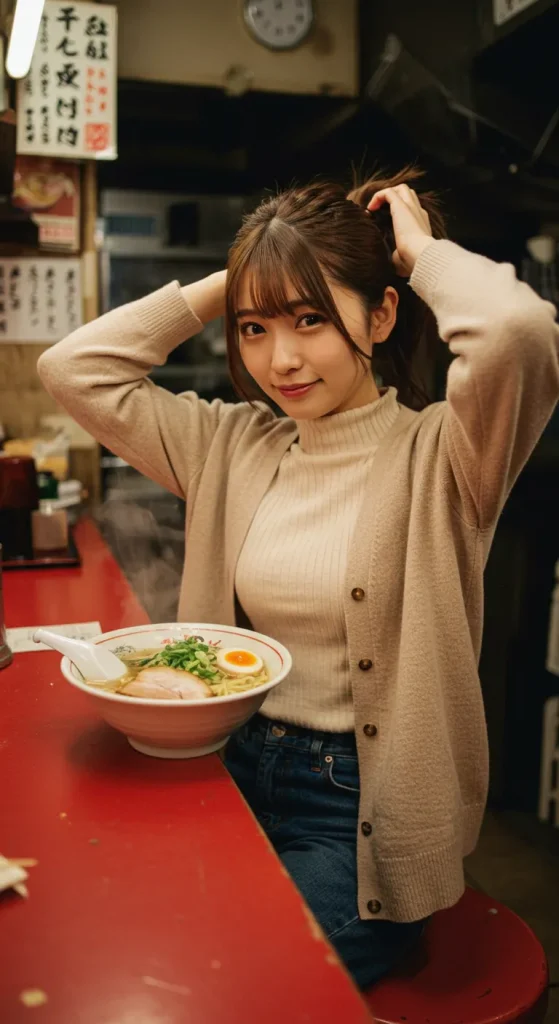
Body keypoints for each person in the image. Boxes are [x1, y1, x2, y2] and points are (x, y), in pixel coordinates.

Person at [38, 169, 559, 990]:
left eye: (310, 319)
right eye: (254, 328)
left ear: (381, 314)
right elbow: (75, 369)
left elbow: (519, 330)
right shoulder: (232, 445)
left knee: (228, 974)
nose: (280, 358)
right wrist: (239, 279)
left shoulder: (448, 455)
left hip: (359, 813)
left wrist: (417, 251)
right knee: (125, 932)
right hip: (228, 765)